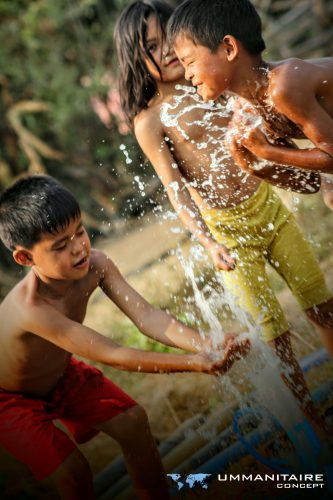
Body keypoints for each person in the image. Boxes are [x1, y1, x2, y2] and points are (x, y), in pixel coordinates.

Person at [115, 0, 333, 443]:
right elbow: (175, 188)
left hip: (268, 208)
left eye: (174, 43)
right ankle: (313, 425)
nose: (172, 55)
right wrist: (206, 241)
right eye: (155, 47)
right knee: (275, 336)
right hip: (228, 235)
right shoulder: (151, 119)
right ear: (136, 59)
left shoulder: (214, 82)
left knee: (321, 306)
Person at [0, 175, 249, 500]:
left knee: (133, 421)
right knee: (72, 474)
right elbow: (114, 354)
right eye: (60, 245)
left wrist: (208, 344)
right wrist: (195, 363)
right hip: (11, 401)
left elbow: (147, 316)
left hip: (60, 375)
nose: (78, 248)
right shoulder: (30, 309)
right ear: (25, 258)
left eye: (79, 232)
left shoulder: (97, 265)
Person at [167, 0, 333, 201]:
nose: (187, 75)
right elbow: (309, 182)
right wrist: (252, 164)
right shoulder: (251, 109)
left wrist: (268, 151)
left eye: (190, 62)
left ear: (228, 48)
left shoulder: (283, 86)